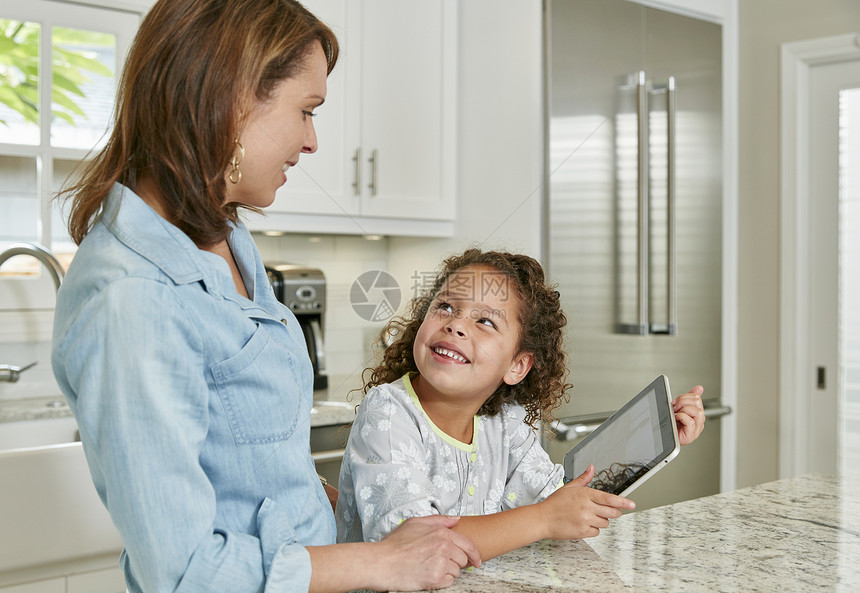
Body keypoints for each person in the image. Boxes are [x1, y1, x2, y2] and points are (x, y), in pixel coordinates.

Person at [50, 1, 480, 592]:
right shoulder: (133, 299)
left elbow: (256, 473)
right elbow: (184, 573)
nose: (312, 142)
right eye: (305, 111)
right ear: (232, 101)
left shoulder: (223, 234)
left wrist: (357, 508)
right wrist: (383, 562)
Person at [335, 249, 706, 560]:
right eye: (445, 307)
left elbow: (557, 500)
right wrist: (544, 519)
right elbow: (415, 545)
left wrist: (652, 438)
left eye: (484, 321)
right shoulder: (388, 412)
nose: (456, 325)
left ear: (517, 366)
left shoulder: (503, 423)